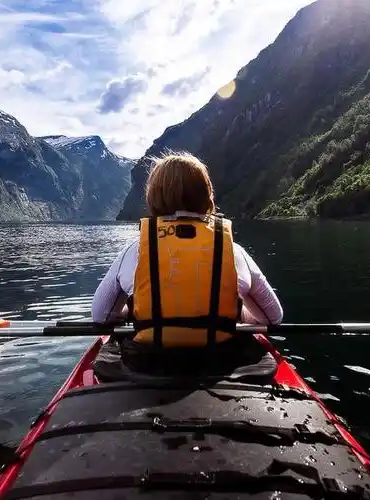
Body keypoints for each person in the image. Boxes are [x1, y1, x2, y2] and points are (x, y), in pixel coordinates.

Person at [90, 152, 282, 379]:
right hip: (220, 362)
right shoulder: (233, 251)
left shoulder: (135, 250)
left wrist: (133, 311)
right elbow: (272, 317)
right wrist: (237, 313)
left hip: (150, 364)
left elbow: (101, 316)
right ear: (207, 196)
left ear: (153, 198)